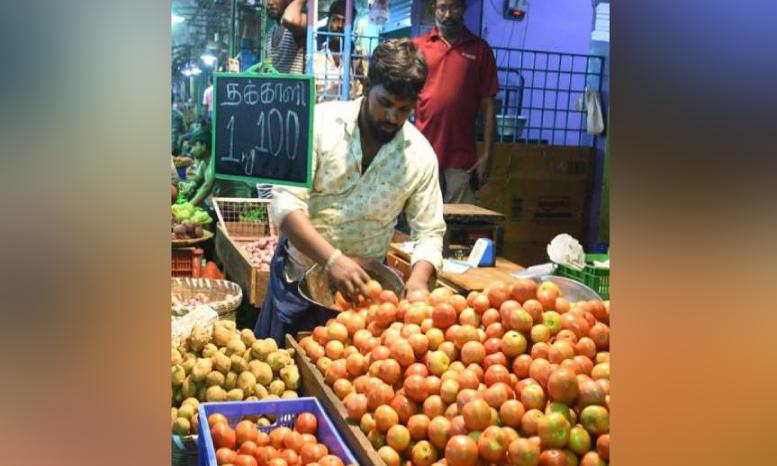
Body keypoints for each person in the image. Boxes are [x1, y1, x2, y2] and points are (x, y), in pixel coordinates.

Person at [254, 39, 446, 346]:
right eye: (385, 103)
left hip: (365, 298)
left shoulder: (419, 156)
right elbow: (285, 205)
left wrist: (419, 280)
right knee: (279, 370)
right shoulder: (320, 124)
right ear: (367, 86)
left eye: (403, 109)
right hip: (298, 282)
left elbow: (430, 232)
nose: (393, 118)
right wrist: (332, 260)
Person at [412, 0, 499, 203]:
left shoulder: (480, 50)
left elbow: (488, 107)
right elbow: (404, 99)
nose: (448, 14)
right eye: (442, 8)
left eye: (454, 7)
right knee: (422, 226)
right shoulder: (418, 47)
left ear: (463, 9)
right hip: (422, 153)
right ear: (434, 9)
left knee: (459, 227)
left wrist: (488, 154)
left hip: (461, 160)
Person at [313, 0, 367, 101]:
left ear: (351, 28)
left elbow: (368, 91)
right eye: (335, 20)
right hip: (323, 115)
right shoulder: (316, 56)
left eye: (345, 22)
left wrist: (359, 72)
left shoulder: (358, 55)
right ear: (328, 22)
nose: (340, 26)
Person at [264, 0, 306, 74]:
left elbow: (288, 19)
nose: (270, 2)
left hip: (296, 85)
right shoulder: (270, 33)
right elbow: (267, 68)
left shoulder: (299, 24)